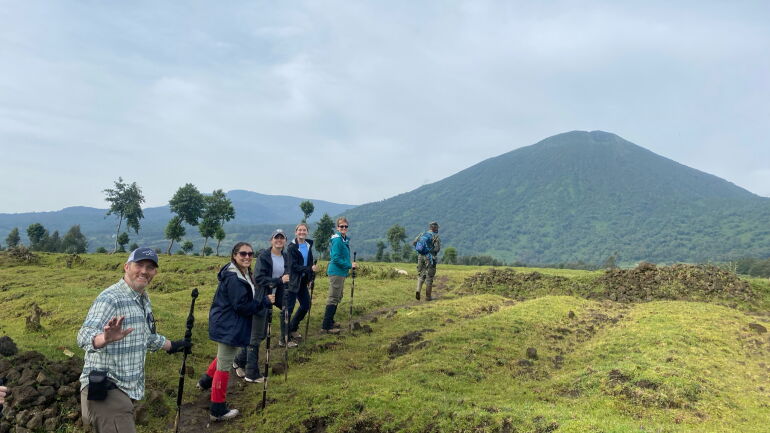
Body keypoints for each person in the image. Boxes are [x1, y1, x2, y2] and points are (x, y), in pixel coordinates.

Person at [77, 247, 191, 433]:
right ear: (126, 267)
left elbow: (145, 337)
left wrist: (173, 346)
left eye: (150, 267)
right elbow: (83, 336)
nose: (144, 271)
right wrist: (104, 338)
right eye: (139, 265)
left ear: (155, 272)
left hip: (125, 389)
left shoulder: (142, 299)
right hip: (107, 388)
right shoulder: (110, 298)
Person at [198, 242, 274, 421]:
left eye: (250, 254)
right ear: (234, 255)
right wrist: (263, 302)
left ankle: (205, 381)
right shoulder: (234, 278)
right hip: (228, 324)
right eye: (243, 254)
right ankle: (217, 409)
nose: (247, 257)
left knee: (226, 355)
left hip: (229, 322)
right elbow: (242, 306)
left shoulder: (243, 272)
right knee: (224, 366)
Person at [233, 229, 290, 383]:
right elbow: (259, 278)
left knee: (262, 334)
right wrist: (279, 281)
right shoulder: (265, 256)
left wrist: (283, 299)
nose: (279, 240)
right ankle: (251, 373)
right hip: (260, 298)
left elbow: (286, 277)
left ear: (285, 240)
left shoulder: (285, 256)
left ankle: (238, 361)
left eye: (282, 238)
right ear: (271, 240)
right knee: (256, 336)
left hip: (272, 298)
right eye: (276, 238)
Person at [284, 223, 318, 345]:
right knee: (289, 308)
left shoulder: (308, 245)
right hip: (293, 281)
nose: (302, 232)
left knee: (306, 305)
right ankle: (285, 336)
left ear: (307, 232)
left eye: (304, 230)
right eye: (300, 230)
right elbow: (293, 266)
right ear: (296, 232)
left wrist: (310, 277)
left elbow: (309, 262)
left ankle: (293, 327)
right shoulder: (291, 247)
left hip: (303, 281)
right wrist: (308, 269)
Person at [322, 217, 357, 333]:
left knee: (338, 296)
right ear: (337, 228)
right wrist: (349, 265)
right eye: (341, 226)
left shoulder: (343, 239)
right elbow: (335, 258)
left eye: (346, 226)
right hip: (336, 272)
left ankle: (330, 321)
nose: (344, 228)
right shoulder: (337, 240)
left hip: (341, 272)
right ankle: (326, 326)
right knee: (333, 297)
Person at [413, 221, 441, 301]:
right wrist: (432, 251)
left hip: (420, 257)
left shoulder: (422, 234)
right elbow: (437, 249)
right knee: (430, 277)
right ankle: (428, 297)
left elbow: (414, 243)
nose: (437, 229)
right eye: (437, 227)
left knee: (421, 274)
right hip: (430, 258)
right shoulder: (435, 236)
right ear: (434, 227)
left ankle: (418, 290)